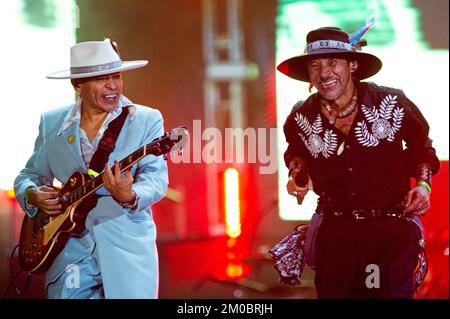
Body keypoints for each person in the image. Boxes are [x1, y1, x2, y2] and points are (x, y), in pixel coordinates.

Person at [277, 26, 440, 298]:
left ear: (352, 65)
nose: (324, 72)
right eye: (315, 65)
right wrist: (298, 175)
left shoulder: (392, 102)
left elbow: (422, 146)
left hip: (388, 233)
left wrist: (424, 185)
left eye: (332, 62)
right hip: (335, 235)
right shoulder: (300, 117)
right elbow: (297, 154)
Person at [14, 38, 168, 298]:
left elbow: (156, 179)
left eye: (116, 76)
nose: (112, 86)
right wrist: (32, 194)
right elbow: (29, 176)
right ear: (78, 85)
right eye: (101, 78)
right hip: (68, 253)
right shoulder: (51, 122)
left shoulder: (146, 119)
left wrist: (129, 196)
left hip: (126, 251)